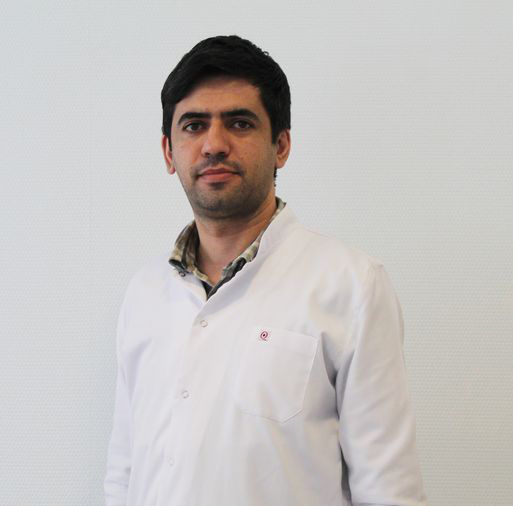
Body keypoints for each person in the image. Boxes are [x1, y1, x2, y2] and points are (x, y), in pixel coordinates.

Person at [104, 35, 427, 506]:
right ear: (169, 152)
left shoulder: (352, 285)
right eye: (194, 125)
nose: (214, 144)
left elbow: (388, 490)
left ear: (281, 146)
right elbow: (124, 473)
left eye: (239, 123)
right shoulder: (145, 292)